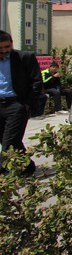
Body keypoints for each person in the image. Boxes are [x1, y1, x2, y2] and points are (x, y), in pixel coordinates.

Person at [0, 30, 42, 176]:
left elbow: (36, 82)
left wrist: (27, 105)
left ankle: (4, 174)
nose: (5, 51)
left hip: (16, 105)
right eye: (1, 49)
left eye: (7, 47)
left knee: (9, 143)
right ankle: (27, 166)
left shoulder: (24, 57)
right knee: (9, 140)